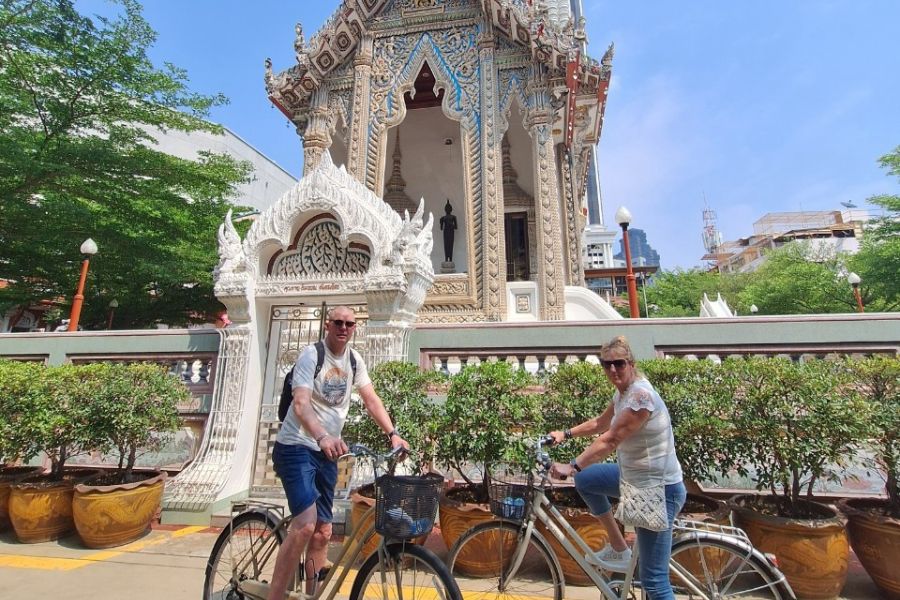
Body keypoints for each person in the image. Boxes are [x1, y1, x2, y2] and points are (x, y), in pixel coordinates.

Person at [267, 306, 409, 600]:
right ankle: (275, 596)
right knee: (305, 525)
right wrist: (322, 436)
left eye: (349, 324)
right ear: (327, 325)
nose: (344, 328)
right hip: (296, 446)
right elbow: (300, 403)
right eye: (338, 323)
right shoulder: (312, 355)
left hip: (327, 453)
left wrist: (392, 433)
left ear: (355, 328)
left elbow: (371, 399)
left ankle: (311, 595)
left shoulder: (354, 360)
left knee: (323, 532)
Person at [548, 335, 685, 600]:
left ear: (631, 363)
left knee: (654, 581)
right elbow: (601, 423)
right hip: (634, 479)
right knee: (587, 481)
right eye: (606, 364)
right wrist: (566, 434)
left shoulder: (641, 397)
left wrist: (572, 466)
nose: (613, 370)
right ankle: (618, 547)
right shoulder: (624, 392)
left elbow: (610, 440)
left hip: (657, 490)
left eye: (619, 363)